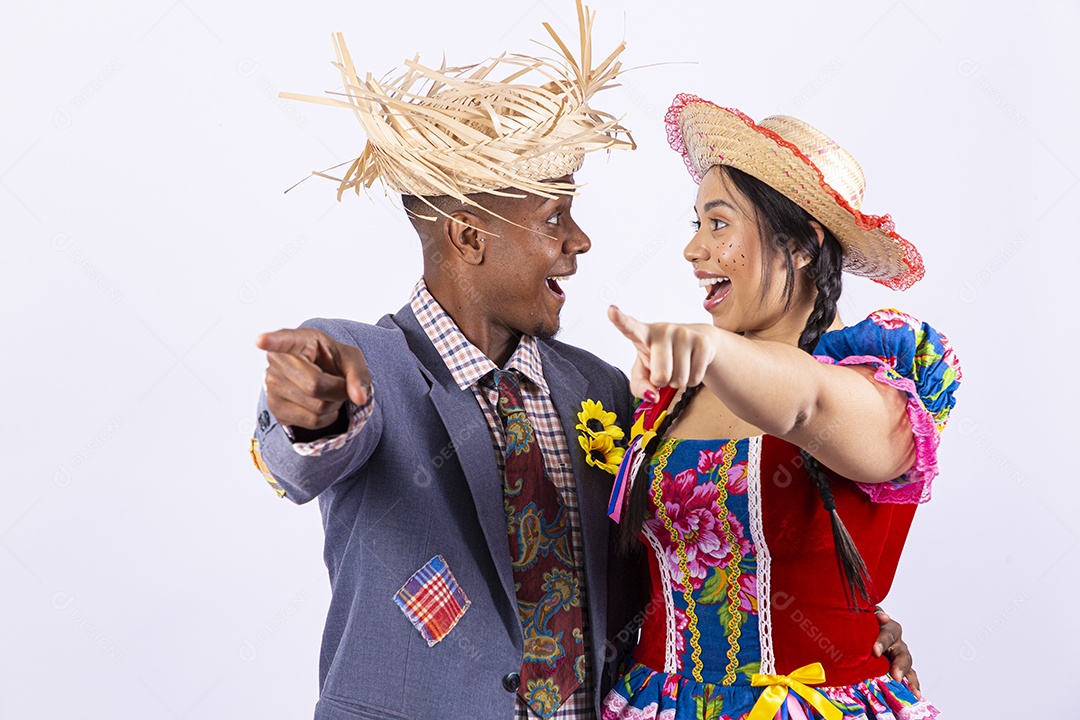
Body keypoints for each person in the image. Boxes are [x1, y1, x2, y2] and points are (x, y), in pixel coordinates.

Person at [249, 10, 922, 720]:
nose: (580, 241)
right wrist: (312, 411)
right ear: (468, 235)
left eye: (716, 223)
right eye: (553, 219)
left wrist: (847, 642)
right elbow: (298, 453)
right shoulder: (368, 368)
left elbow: (660, 570)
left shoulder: (599, 389)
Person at [598, 94, 961, 720]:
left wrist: (707, 347)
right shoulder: (674, 395)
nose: (694, 250)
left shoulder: (881, 385)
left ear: (800, 245)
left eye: (719, 224)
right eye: (696, 226)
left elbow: (803, 403)